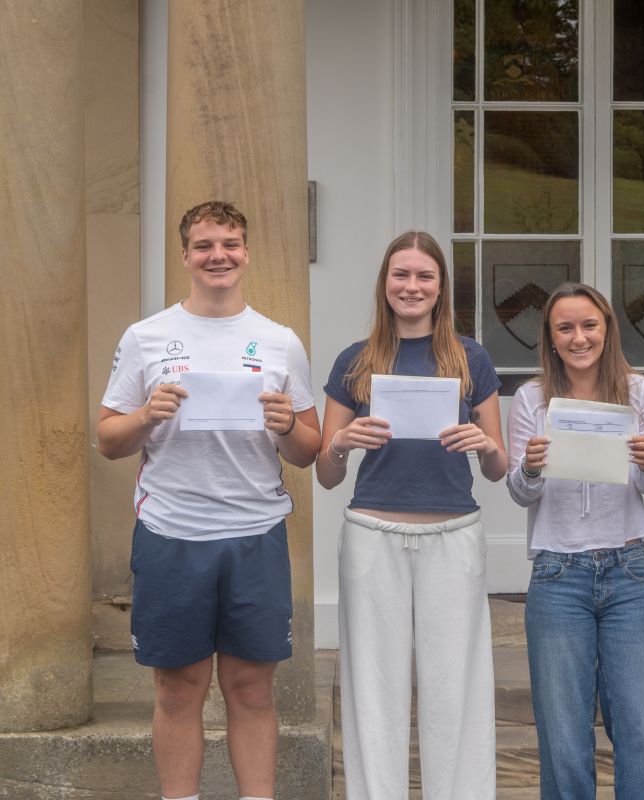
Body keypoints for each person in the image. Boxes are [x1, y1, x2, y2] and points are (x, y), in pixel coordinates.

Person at [97, 201, 321, 800]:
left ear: (246, 253)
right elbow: (107, 439)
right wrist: (147, 413)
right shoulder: (147, 337)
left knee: (251, 689)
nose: (218, 255)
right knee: (178, 688)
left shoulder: (278, 341)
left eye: (229, 244)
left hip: (255, 534)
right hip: (172, 532)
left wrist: (283, 425)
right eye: (204, 245)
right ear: (186, 256)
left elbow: (307, 449)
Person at [316, 231, 506, 800]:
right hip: (373, 534)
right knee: (374, 691)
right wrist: (344, 440)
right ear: (385, 283)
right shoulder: (356, 360)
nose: (412, 286)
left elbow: (499, 468)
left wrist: (484, 443)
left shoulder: (471, 357)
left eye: (425, 276)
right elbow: (326, 472)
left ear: (441, 286)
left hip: (453, 533)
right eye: (401, 275)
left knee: (457, 690)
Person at [506, 282, 644, 800]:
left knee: (643, 729)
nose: (579, 337)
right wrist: (530, 469)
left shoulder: (639, 391)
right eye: (566, 328)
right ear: (551, 339)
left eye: (589, 325)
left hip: (628, 569)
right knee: (563, 736)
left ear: (607, 329)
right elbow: (516, 490)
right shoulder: (532, 398)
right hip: (557, 574)